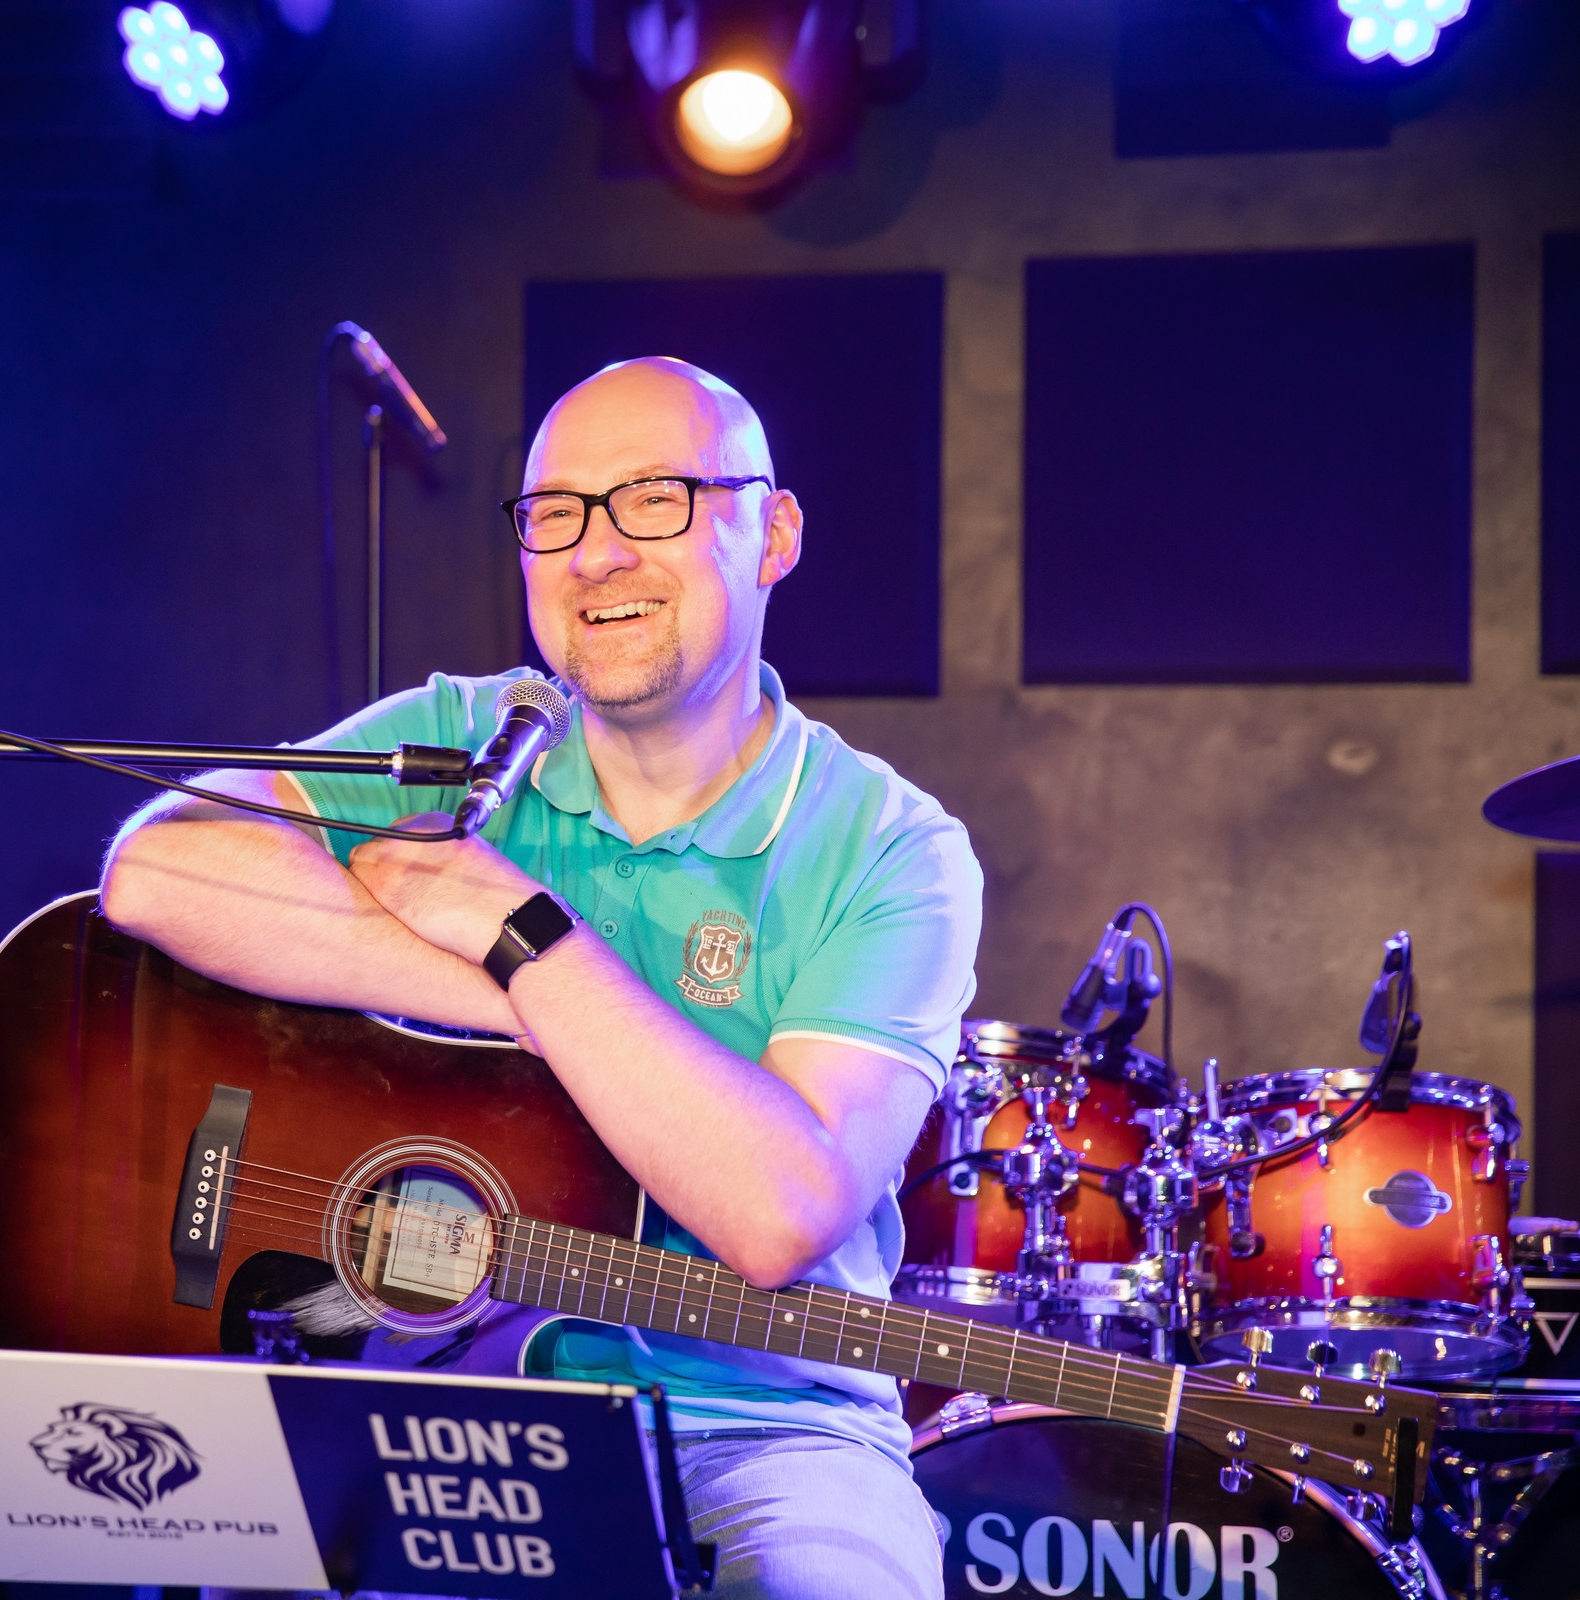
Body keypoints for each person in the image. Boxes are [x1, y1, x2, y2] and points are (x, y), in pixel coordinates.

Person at [99, 356, 982, 1600]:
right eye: (555, 512)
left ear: (773, 532)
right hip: (430, 1398)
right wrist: (501, 989)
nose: (595, 553)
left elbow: (776, 1215)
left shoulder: (895, 846)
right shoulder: (460, 735)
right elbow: (156, 872)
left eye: (654, 499)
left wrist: (526, 933)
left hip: (763, 1425)